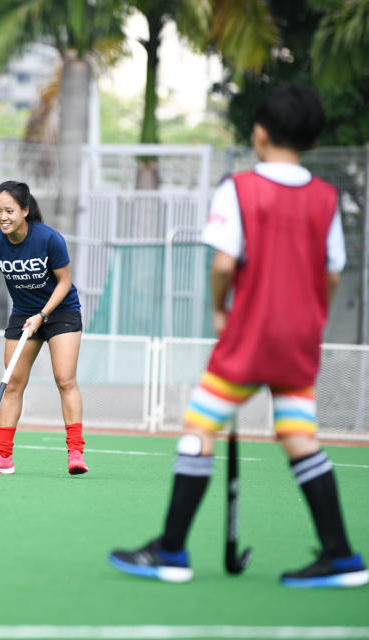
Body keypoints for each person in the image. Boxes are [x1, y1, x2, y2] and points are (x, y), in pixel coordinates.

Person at [109, 83, 366, 588]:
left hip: (250, 336)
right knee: (297, 435)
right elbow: (332, 271)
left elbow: (225, 262)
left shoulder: (240, 188)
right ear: (311, 141)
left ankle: (172, 550)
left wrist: (218, 309)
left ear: (260, 133)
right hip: (298, 340)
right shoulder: (326, 198)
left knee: (198, 425)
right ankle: (340, 555)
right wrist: (313, 315)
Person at [0, 180, 88, 475]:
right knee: (13, 384)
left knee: (65, 379)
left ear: (25, 210)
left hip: (61, 313)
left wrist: (44, 315)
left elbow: (64, 282)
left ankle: (76, 452)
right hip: (23, 314)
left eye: (9, 210)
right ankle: (2, 456)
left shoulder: (49, 239)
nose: (3, 217)